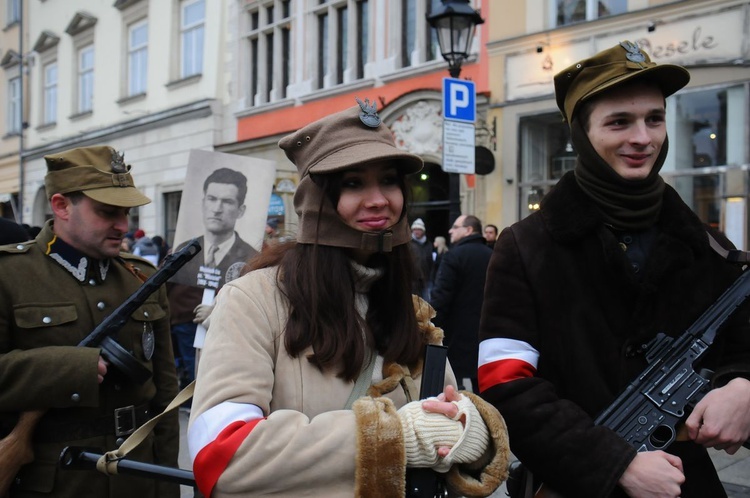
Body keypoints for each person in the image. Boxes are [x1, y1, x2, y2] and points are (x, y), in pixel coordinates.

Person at [187, 99, 510, 498]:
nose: (379, 200)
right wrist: (392, 437)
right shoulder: (252, 299)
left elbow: (438, 426)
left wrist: (468, 430)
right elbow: (221, 453)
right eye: (354, 183)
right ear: (317, 201)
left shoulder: (411, 310)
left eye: (389, 181)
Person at [478, 41, 750, 498]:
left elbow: (741, 348)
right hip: (569, 483)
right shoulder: (525, 247)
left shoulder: (711, 248)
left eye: (654, 119)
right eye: (619, 121)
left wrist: (743, 387)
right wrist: (614, 464)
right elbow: (504, 387)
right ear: (581, 134)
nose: (642, 138)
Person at [0, 145, 180, 498]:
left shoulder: (141, 277)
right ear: (61, 206)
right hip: (55, 480)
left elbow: (165, 398)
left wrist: (167, 481)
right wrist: (68, 367)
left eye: (126, 213)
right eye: (107, 212)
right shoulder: (9, 276)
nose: (122, 226)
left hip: (137, 478)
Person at [168, 167, 259, 389]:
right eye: (212, 199)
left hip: (229, 334)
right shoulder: (183, 250)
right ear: (203, 202)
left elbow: (257, 305)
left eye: (227, 202)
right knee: (192, 382)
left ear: (240, 210)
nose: (217, 209)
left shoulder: (252, 257)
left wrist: (219, 312)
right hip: (185, 324)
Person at [430, 214, 493, 393]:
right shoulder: (493, 255)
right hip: (487, 334)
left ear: (468, 230)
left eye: (455, 226)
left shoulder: (453, 256)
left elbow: (440, 298)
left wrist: (432, 327)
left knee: (451, 391)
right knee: (484, 389)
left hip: (457, 334)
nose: (450, 230)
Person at [409, 217, 433, 300]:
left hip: (427, 280)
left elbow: (431, 261)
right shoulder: (408, 244)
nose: (416, 231)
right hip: (413, 281)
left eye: (419, 229)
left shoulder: (428, 244)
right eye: (414, 229)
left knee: (427, 304)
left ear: (423, 231)